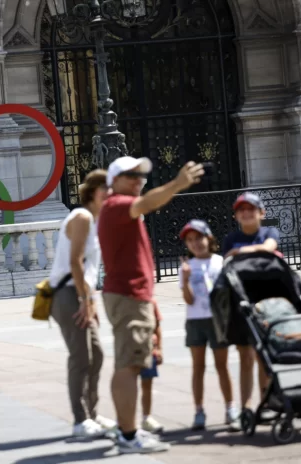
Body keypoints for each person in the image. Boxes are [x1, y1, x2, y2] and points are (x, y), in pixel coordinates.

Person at [97, 156, 204, 454]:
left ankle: (126, 430)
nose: (139, 179)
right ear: (114, 180)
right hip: (129, 295)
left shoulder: (117, 208)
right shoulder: (117, 204)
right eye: (131, 174)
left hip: (130, 295)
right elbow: (145, 203)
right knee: (130, 366)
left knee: (127, 365)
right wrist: (178, 184)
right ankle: (129, 436)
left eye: (142, 174)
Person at [48, 169, 117, 438]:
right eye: (105, 190)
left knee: (96, 355)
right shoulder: (82, 217)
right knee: (80, 357)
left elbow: (89, 269)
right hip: (67, 294)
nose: (110, 194)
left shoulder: (96, 222)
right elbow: (76, 260)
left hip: (79, 293)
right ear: (92, 192)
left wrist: (92, 301)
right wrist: (85, 300)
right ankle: (80, 420)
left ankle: (93, 414)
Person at [221, 192, 280, 416]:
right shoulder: (230, 239)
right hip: (241, 305)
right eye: (241, 210)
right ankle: (245, 405)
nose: (246, 213)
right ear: (236, 215)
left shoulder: (268, 232)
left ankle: (266, 400)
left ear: (261, 213)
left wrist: (242, 251)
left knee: (263, 355)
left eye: (251, 209)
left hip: (266, 302)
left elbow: (269, 247)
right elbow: (227, 265)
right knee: (245, 356)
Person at [178, 219, 240, 431]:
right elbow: (188, 300)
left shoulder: (219, 262)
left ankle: (231, 408)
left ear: (209, 239)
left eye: (199, 238)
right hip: (196, 321)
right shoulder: (187, 267)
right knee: (198, 367)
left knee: (222, 365)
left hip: (217, 320)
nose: (195, 243)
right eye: (190, 240)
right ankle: (199, 411)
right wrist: (185, 280)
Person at [139, 299, 163, 434]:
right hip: (132, 347)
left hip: (149, 349)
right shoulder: (125, 300)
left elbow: (157, 326)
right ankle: (124, 420)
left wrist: (159, 348)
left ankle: (146, 417)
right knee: (128, 384)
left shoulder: (151, 301)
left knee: (147, 385)